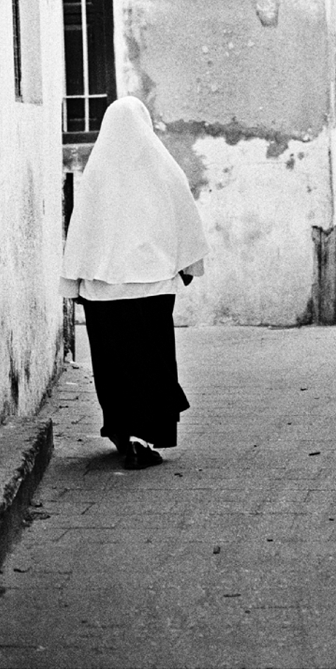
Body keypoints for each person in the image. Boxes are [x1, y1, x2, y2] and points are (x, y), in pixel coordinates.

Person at [60, 96, 209, 470]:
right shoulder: (164, 169)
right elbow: (185, 217)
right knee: (151, 361)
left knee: (114, 363)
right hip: (151, 289)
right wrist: (188, 266)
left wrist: (73, 282)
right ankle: (143, 437)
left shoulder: (97, 173)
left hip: (103, 291)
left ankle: (123, 431)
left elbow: (80, 231)